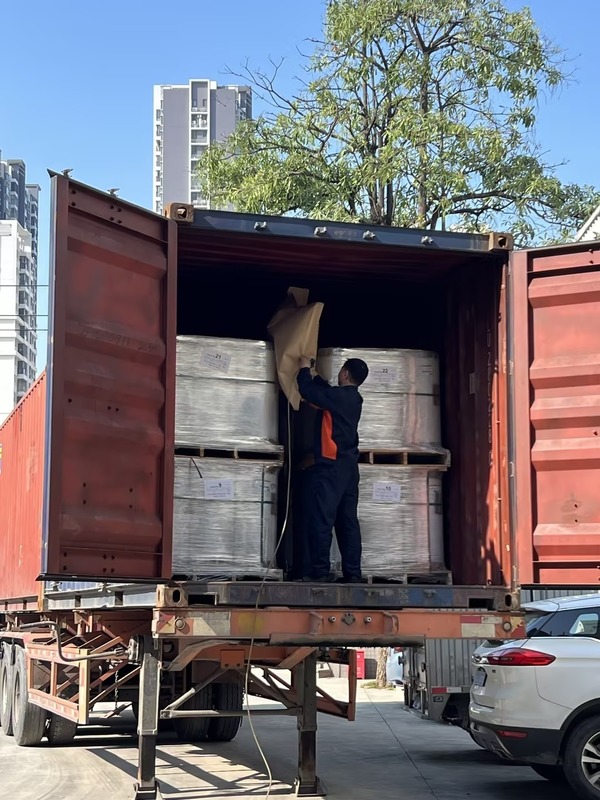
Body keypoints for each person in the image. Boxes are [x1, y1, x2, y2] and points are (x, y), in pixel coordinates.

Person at [296, 356, 369, 583]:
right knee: (348, 522)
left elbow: (308, 392)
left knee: (322, 519)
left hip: (331, 467)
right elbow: (325, 393)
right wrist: (317, 375)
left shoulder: (338, 398)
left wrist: (303, 370)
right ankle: (353, 574)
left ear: (345, 373)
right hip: (348, 469)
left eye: (341, 370)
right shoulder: (353, 398)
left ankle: (319, 572)